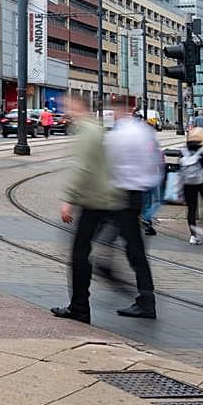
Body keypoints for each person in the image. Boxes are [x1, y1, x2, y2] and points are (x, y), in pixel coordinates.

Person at [50, 95, 124, 324]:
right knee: (83, 251)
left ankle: (80, 307)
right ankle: (82, 302)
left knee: (79, 254)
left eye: (68, 106)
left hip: (94, 200)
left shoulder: (87, 131)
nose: (66, 111)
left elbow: (82, 168)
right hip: (103, 198)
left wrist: (68, 200)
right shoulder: (96, 129)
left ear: (80, 106)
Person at [106, 116, 162, 318]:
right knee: (132, 248)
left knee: (133, 250)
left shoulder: (128, 134)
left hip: (125, 196)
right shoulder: (143, 133)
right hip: (130, 196)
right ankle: (144, 297)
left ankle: (145, 299)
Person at [179, 127, 203, 245]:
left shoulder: (183, 150)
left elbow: (181, 165)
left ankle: (193, 235)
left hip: (187, 184)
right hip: (200, 182)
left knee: (191, 209)